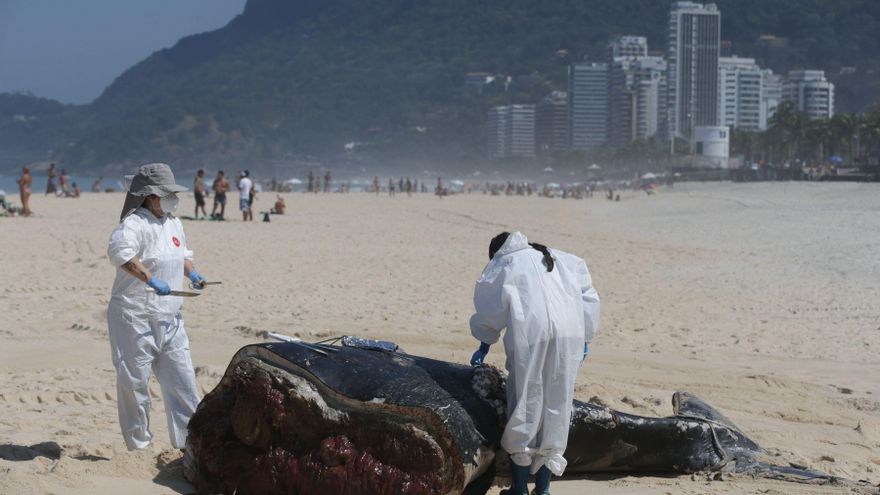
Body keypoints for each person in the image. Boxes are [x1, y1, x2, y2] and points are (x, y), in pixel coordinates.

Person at [469, 231, 600, 495]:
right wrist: (585, 336)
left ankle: (519, 489)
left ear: (496, 251)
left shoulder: (504, 261)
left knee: (527, 403)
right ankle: (543, 490)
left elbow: (490, 310)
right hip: (569, 335)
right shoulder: (560, 257)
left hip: (533, 334)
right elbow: (588, 296)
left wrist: (484, 342)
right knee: (557, 404)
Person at [106, 162, 209, 451]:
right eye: (167, 194)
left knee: (183, 381)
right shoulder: (133, 225)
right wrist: (150, 279)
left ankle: (190, 444)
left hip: (171, 317)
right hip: (134, 315)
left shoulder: (174, 223)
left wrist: (193, 274)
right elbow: (120, 254)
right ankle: (139, 447)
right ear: (151, 196)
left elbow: (181, 256)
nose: (172, 199)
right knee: (134, 383)